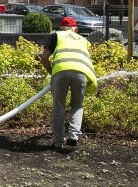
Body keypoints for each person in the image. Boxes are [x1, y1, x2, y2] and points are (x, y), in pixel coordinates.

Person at [39, 16, 97, 151]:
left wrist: (52, 72)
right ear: (75, 29)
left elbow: (44, 58)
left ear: (61, 28)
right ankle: (73, 136)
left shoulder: (56, 36)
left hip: (61, 72)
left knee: (58, 106)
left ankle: (58, 142)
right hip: (82, 72)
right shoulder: (83, 40)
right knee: (77, 105)